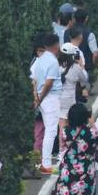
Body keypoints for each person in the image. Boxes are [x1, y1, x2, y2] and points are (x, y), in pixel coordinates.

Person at [31, 33, 62, 174]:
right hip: (50, 97)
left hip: (41, 97)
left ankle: (44, 162)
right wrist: (41, 97)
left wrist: (36, 97)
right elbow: (49, 83)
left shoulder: (39, 59)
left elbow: (33, 79)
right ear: (57, 45)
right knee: (51, 131)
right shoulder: (53, 61)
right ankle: (46, 164)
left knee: (47, 130)